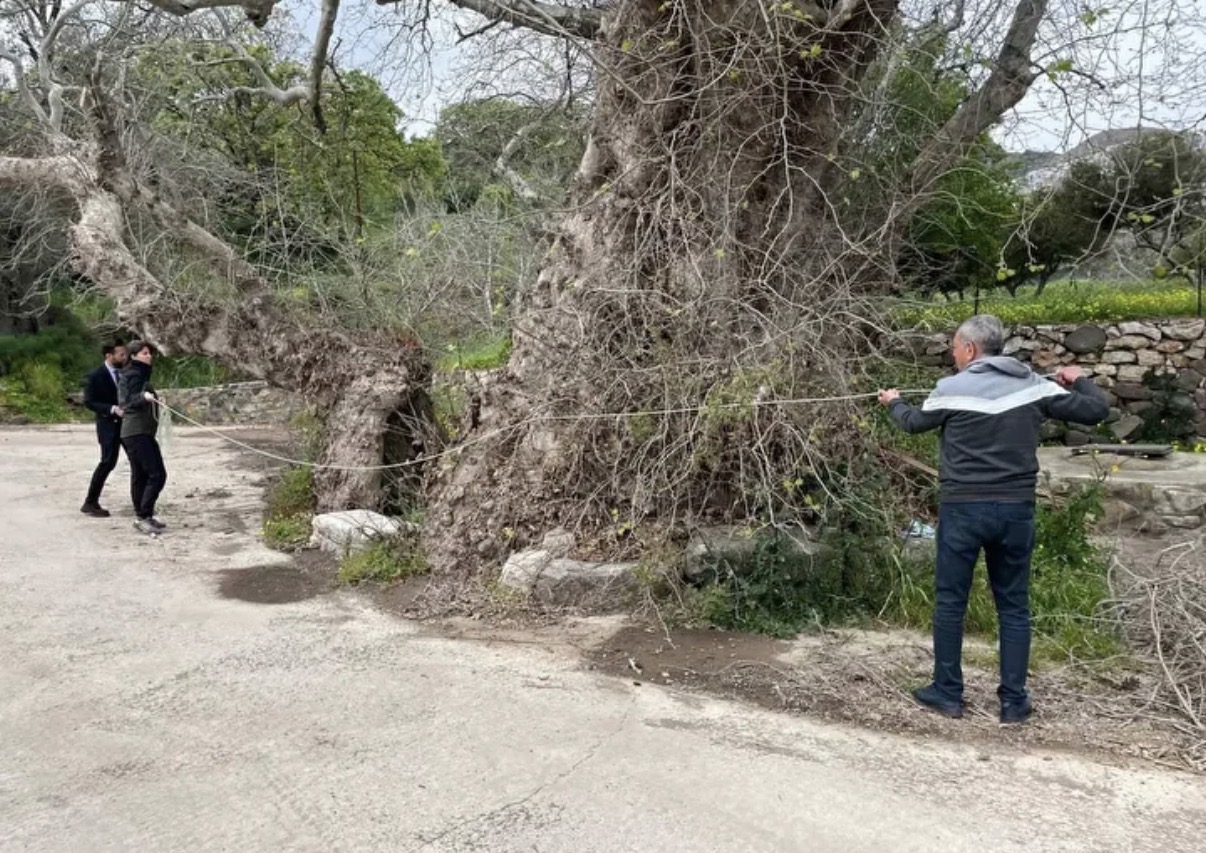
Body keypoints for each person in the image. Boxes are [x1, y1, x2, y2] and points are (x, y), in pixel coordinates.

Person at [878, 315, 1109, 724]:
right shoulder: (1036, 386)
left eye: (954, 348)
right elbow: (1096, 410)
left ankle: (947, 694)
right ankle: (1013, 703)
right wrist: (1077, 378)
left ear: (970, 350)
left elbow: (913, 423)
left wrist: (893, 401)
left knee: (951, 602)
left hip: (963, 511)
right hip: (1016, 511)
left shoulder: (951, 390)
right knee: (1014, 606)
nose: (952, 355)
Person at [118, 340, 168, 534]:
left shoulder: (142, 375)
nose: (149, 356)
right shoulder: (132, 375)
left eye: (149, 353)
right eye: (144, 353)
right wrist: (143, 398)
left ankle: (143, 515)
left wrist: (154, 399)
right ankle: (143, 515)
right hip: (135, 432)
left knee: (141, 475)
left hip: (142, 432)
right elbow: (125, 401)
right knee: (156, 474)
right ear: (133, 356)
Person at [81, 342, 128, 517]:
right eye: (121, 354)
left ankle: (142, 503)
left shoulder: (126, 373)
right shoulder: (95, 376)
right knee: (108, 462)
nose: (125, 357)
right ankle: (90, 502)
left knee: (138, 460)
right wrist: (111, 409)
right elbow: (89, 401)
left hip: (127, 425)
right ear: (109, 355)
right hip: (108, 424)